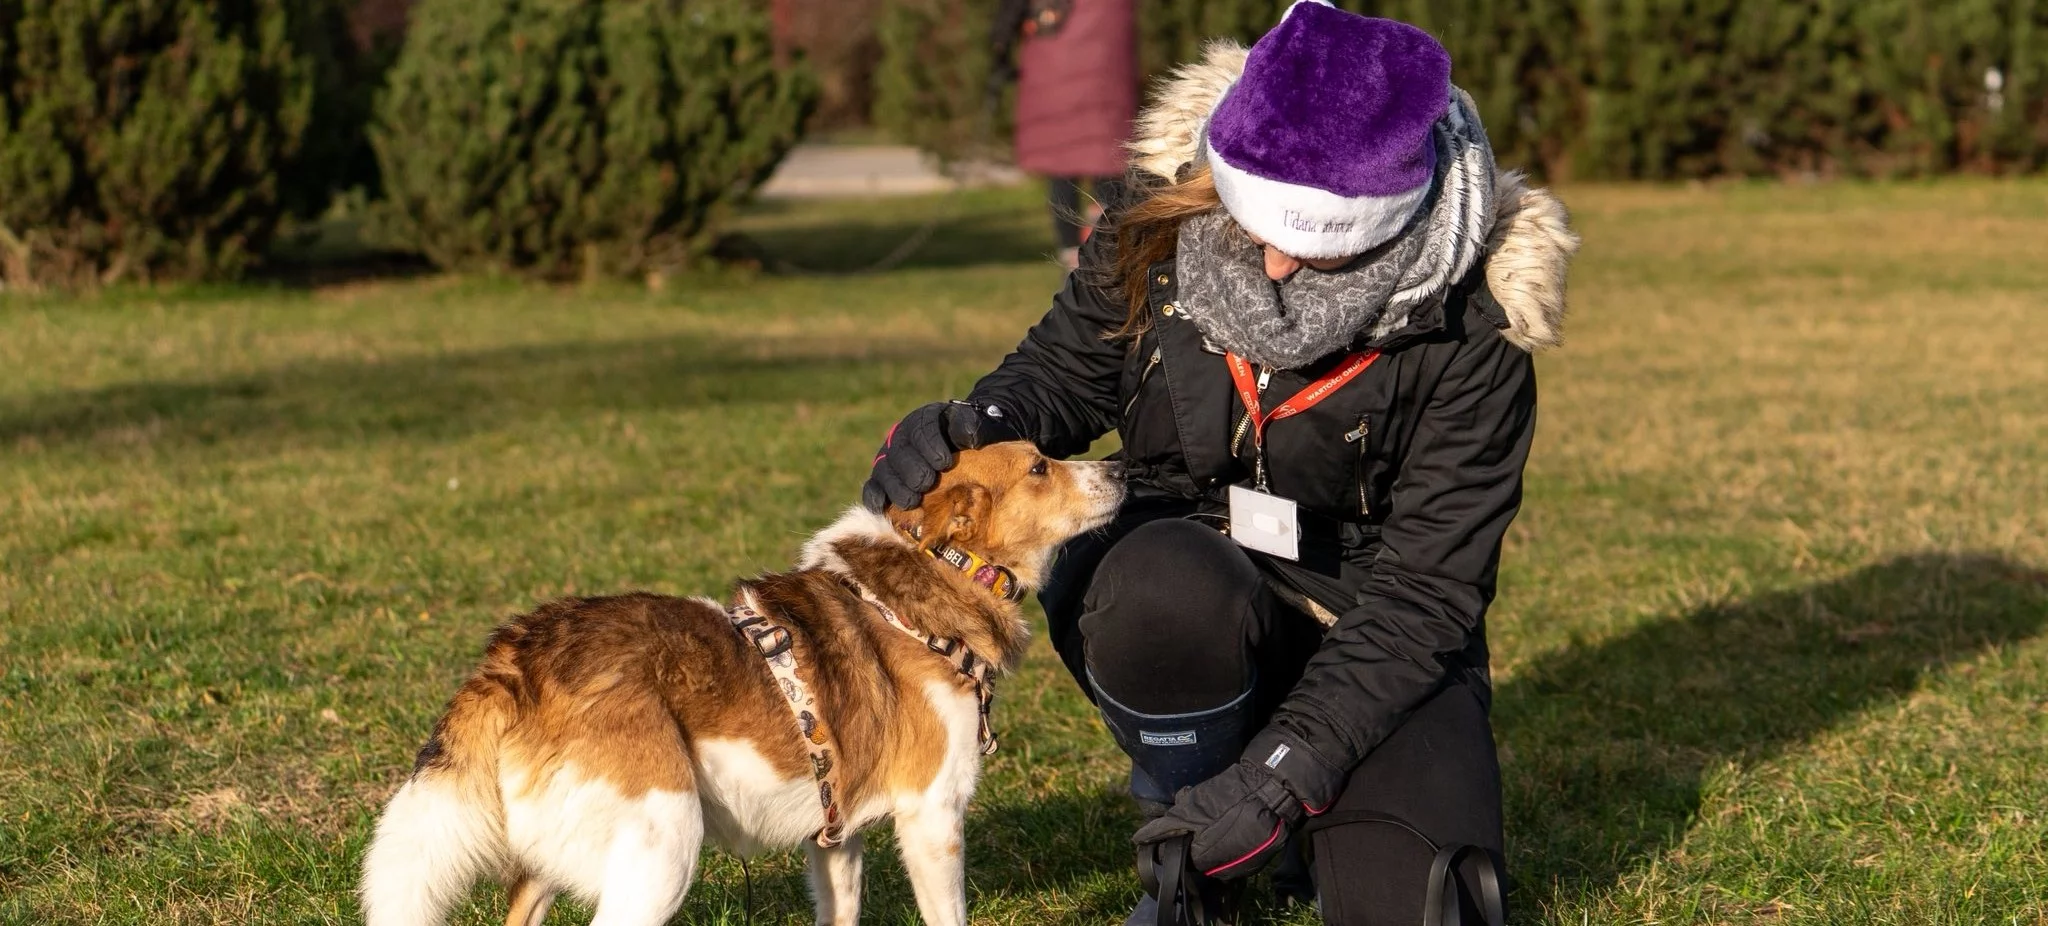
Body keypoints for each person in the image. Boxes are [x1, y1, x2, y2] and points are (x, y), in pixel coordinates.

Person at [866, 2, 1579, 923]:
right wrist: (970, 423)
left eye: (1317, 243)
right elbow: (1065, 372)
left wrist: (1284, 776)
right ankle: (1189, 827)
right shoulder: (1156, 211)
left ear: (1394, 218)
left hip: (1368, 626)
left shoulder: (1478, 323)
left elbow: (1426, 597)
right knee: (1160, 588)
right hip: (1188, 567)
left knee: (1420, 907)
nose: (1275, 265)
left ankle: (1283, 807)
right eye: (1252, 223)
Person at [991, 0, 1138, 270]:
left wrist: (1001, 43)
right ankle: (1102, 248)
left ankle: (1073, 255)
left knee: (1061, 162)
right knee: (1106, 157)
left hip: (1054, 48)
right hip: (1107, 49)